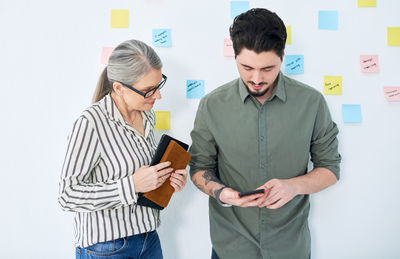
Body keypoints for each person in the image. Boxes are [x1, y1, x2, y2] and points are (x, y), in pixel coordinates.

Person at [189, 8, 341, 259]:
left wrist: (293, 186)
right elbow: (199, 168)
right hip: (230, 248)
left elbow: (330, 169)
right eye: (246, 67)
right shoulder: (211, 105)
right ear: (235, 56)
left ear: (282, 56)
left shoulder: (311, 103)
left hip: (290, 248)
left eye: (268, 68)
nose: (257, 78)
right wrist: (223, 193)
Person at [58, 39, 188, 259]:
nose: (158, 96)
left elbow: (142, 171)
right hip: (106, 248)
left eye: (159, 85)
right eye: (149, 90)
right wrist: (132, 185)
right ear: (119, 88)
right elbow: (67, 196)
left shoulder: (147, 114)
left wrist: (168, 179)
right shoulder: (90, 123)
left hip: (149, 238)